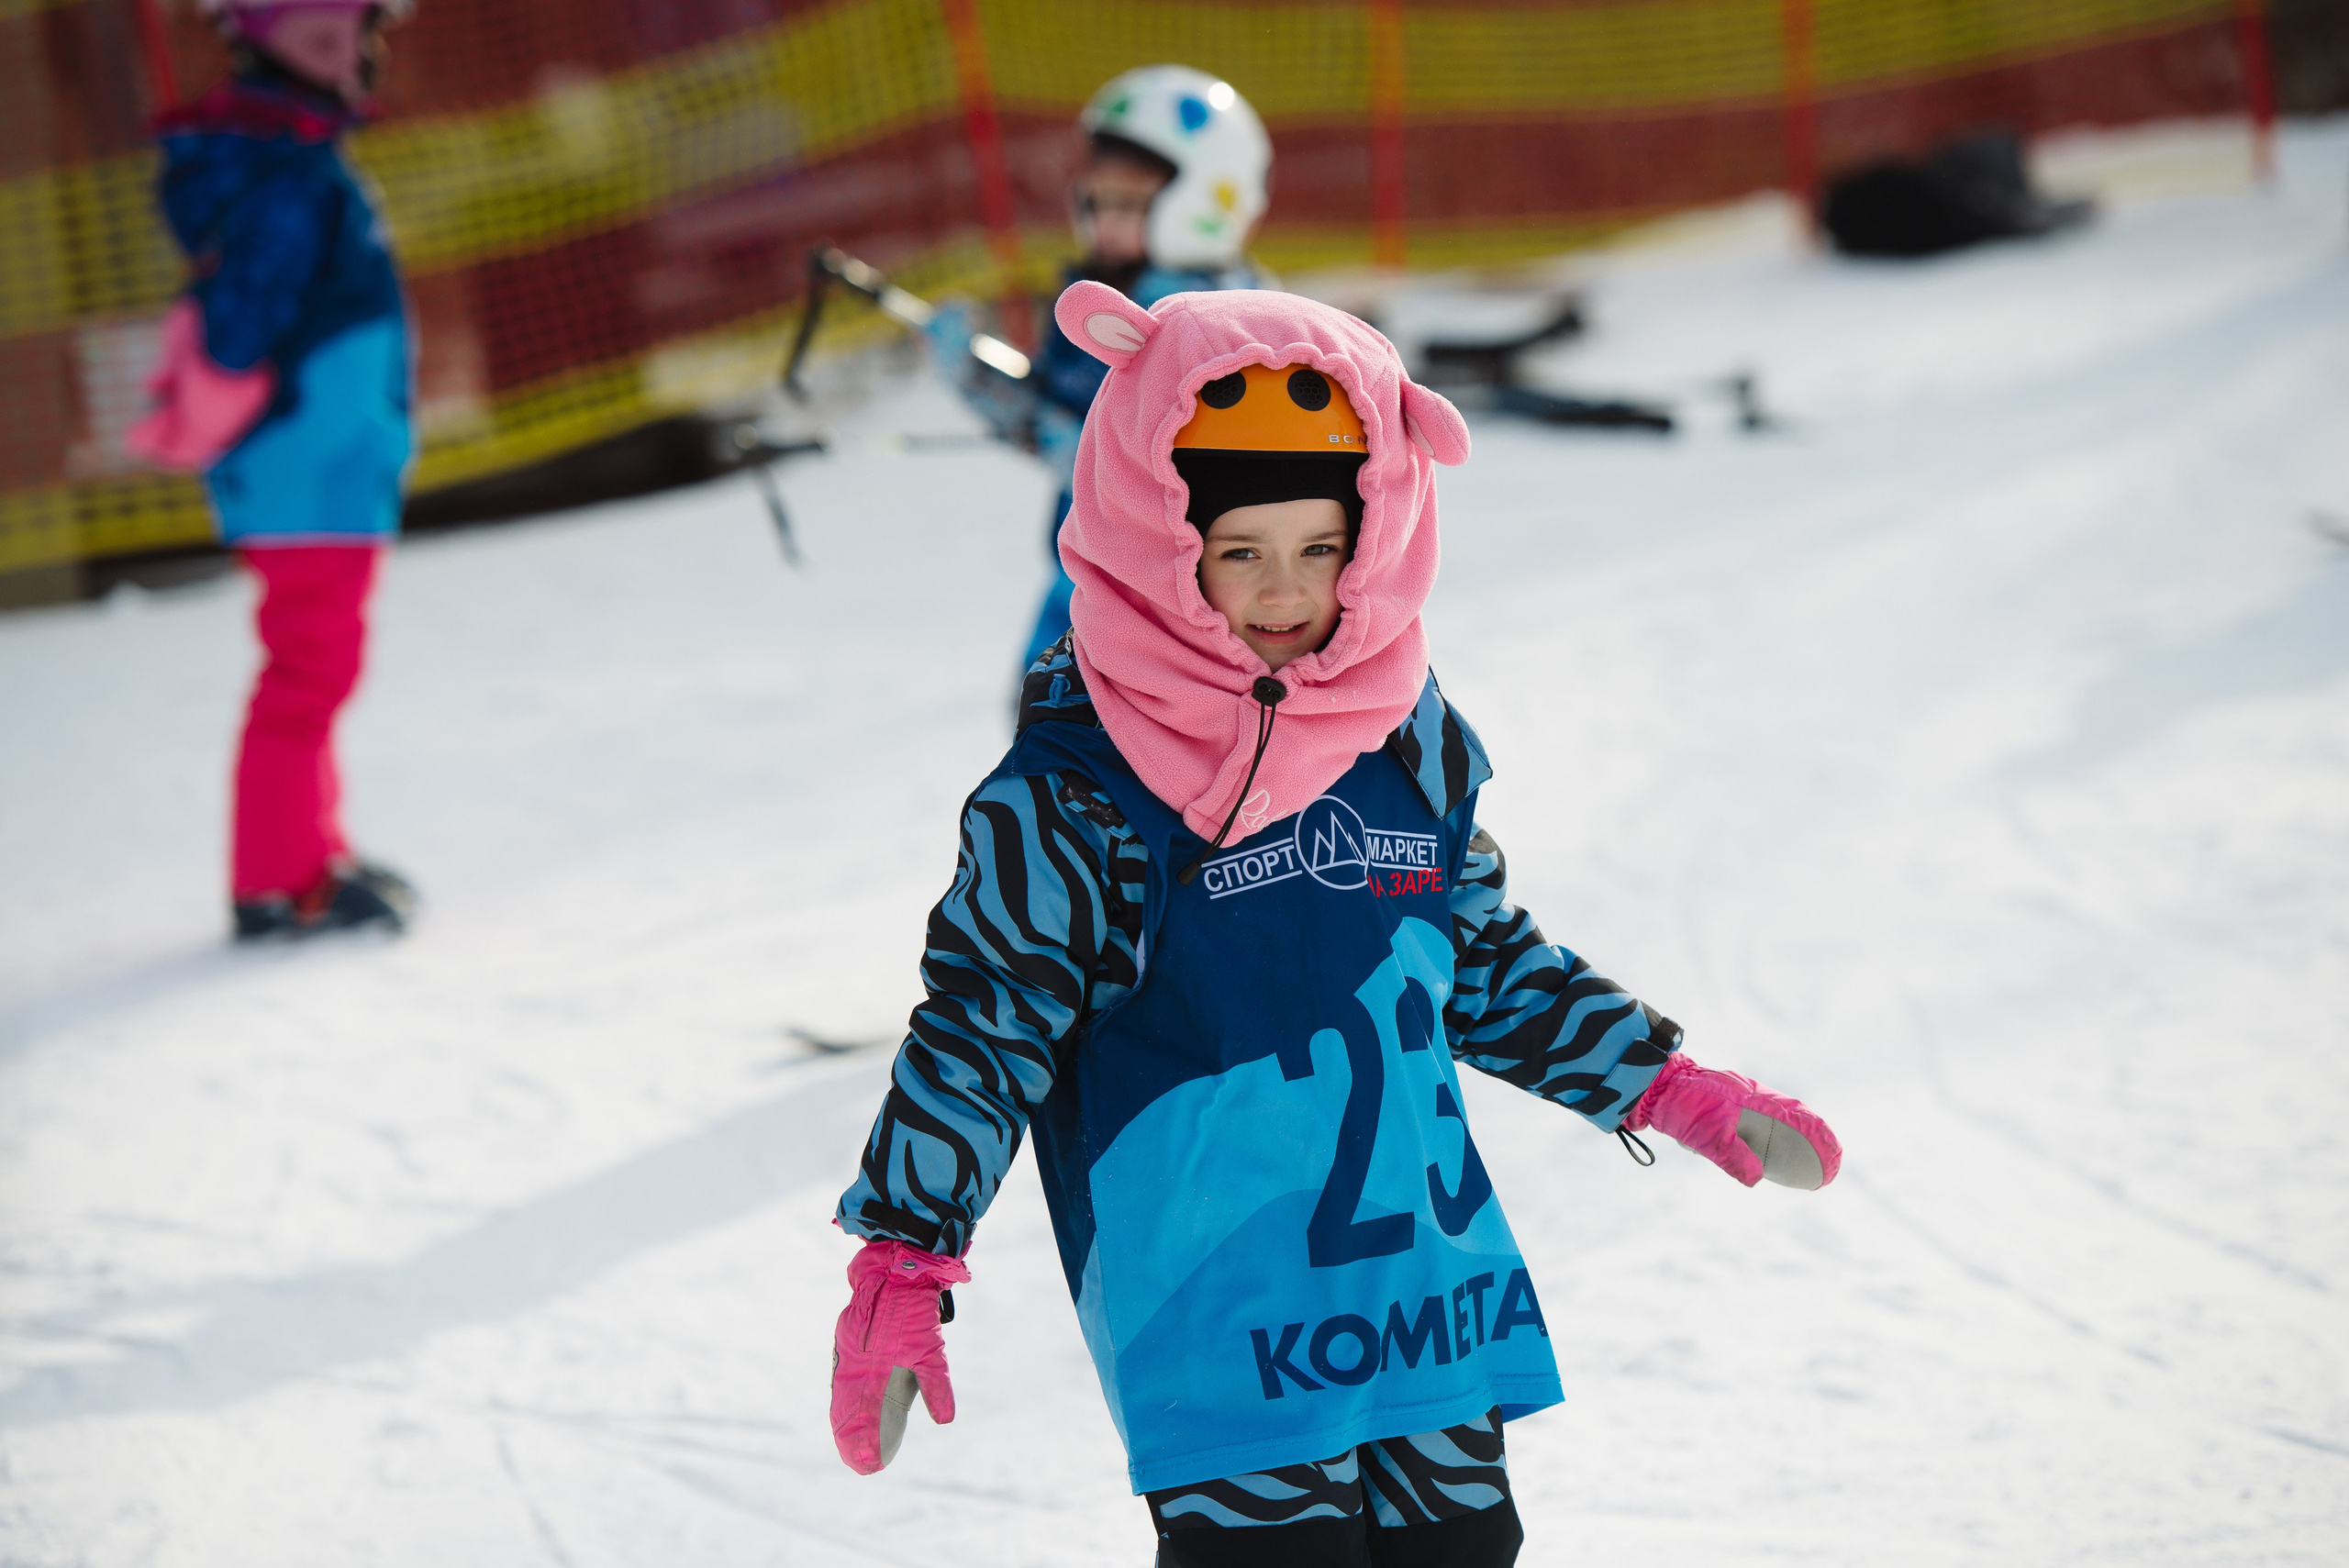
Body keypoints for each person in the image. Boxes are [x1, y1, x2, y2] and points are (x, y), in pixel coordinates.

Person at [827, 282, 1842, 1566]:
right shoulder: (1077, 794)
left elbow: (1475, 960)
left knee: (1464, 1551)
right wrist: (904, 1261)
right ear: (1160, 538)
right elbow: (985, 1030)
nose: (1283, 592)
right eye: (1239, 552)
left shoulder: (1400, 732)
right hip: (1216, 1307)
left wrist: (1662, 1082)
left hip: (1421, 1291)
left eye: (1321, 550)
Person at [128, 0, 417, 940]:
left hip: (324, 465)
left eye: (362, 42)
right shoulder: (286, 171)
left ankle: (311, 854)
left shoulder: (293, 155)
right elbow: (245, 314)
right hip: (305, 467)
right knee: (306, 674)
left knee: (317, 670)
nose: (358, 62)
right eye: (340, 42)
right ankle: (278, 881)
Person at [930, 64, 1273, 678]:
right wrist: (985, 380)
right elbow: (1057, 407)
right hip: (1087, 571)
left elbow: (1206, 460)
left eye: (1128, 203)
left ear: (1201, 200)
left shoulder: (1216, 320)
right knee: (1042, 726)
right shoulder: (1109, 293)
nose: (1103, 219)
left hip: (1169, 597)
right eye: (1096, 200)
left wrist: (1085, 449)